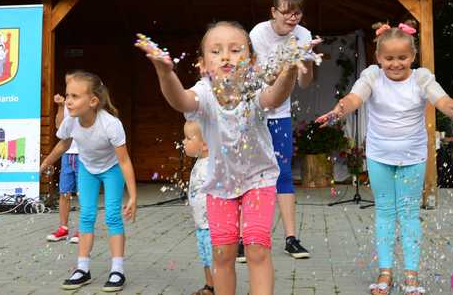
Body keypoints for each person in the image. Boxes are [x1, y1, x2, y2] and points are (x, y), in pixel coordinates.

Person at [135, 21, 312, 295]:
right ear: (203, 64)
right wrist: (164, 73)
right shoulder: (203, 92)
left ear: (251, 61)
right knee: (222, 254)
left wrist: (288, 71)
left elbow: (276, 97)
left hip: (259, 179)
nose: (226, 57)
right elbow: (180, 101)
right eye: (216, 52)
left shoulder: (253, 88)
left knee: (256, 247)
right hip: (219, 183)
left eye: (235, 50)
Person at [316, 21, 453, 295]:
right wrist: (338, 111)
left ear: (412, 57)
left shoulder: (421, 78)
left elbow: (441, 100)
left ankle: (411, 275)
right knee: (385, 213)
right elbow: (354, 98)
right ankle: (384, 272)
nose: (396, 64)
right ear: (378, 58)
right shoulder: (372, 76)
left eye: (402, 57)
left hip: (412, 156)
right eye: (389, 58)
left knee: (409, 215)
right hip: (379, 155)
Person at [40, 71, 137, 292]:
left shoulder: (111, 124)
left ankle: (117, 270)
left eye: (75, 96)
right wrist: (46, 163)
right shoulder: (70, 121)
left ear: (93, 101)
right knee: (86, 215)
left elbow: (124, 161)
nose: (69, 101)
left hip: (112, 169)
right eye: (67, 95)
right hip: (87, 168)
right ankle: (83, 268)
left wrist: (133, 195)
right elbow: (63, 145)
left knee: (113, 216)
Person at [249, 0, 317, 259]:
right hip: (254, 112)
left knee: (284, 173)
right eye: (287, 12)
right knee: (251, 174)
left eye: (297, 12)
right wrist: (287, 66)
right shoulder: (257, 34)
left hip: (281, 115)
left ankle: (291, 238)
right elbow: (261, 77)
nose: (293, 18)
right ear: (273, 12)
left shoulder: (304, 35)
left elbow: (304, 83)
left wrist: (307, 63)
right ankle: (247, 238)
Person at [46, 71, 81, 244]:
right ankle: (63, 228)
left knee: (84, 193)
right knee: (64, 192)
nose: (68, 96)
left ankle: (83, 229)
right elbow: (59, 126)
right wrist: (60, 106)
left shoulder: (85, 102)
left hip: (84, 155)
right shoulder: (67, 104)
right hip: (68, 155)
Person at [182, 120, 214, 295]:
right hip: (200, 225)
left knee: (214, 259)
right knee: (205, 258)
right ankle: (210, 286)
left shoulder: (211, 165)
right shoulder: (199, 162)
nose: (184, 142)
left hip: (211, 226)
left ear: (205, 145)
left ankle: (220, 287)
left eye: (188, 138)